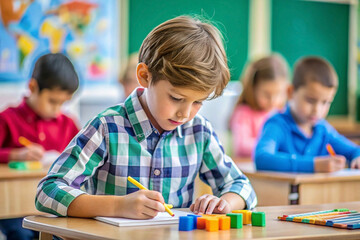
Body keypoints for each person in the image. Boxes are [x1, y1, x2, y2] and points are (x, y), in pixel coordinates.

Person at [35, 16, 257, 221]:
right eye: (176, 97)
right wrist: (117, 206)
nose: (186, 113)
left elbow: (240, 185)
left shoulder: (198, 131)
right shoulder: (107, 127)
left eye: (198, 102)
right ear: (144, 76)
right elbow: (48, 191)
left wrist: (224, 203)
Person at [0, 53, 79, 240]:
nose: (57, 109)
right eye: (52, 101)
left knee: (62, 234)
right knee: (21, 234)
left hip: (54, 205)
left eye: (62, 103)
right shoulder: (8, 119)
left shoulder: (68, 124)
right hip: (14, 208)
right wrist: (15, 155)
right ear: (33, 87)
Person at [254, 56, 360, 173]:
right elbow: (262, 158)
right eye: (310, 100)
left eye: (325, 102)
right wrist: (314, 165)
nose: (317, 110)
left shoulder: (323, 130)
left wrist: (357, 157)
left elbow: (355, 150)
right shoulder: (277, 124)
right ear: (290, 92)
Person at [229, 54, 288, 158]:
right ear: (253, 89)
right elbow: (241, 147)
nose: (273, 101)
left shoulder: (282, 113)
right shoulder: (243, 113)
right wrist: (272, 145)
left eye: (279, 93)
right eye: (266, 94)